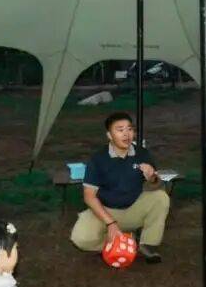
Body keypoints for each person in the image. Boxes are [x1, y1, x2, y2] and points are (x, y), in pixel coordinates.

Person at [70, 112, 170, 263]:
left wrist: (152, 177)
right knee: (81, 238)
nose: (126, 134)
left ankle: (147, 244)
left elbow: (157, 185)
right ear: (109, 135)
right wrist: (111, 223)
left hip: (133, 208)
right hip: (105, 211)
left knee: (161, 198)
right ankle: (123, 242)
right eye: (120, 130)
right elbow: (89, 196)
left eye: (130, 129)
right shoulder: (98, 159)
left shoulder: (142, 154)